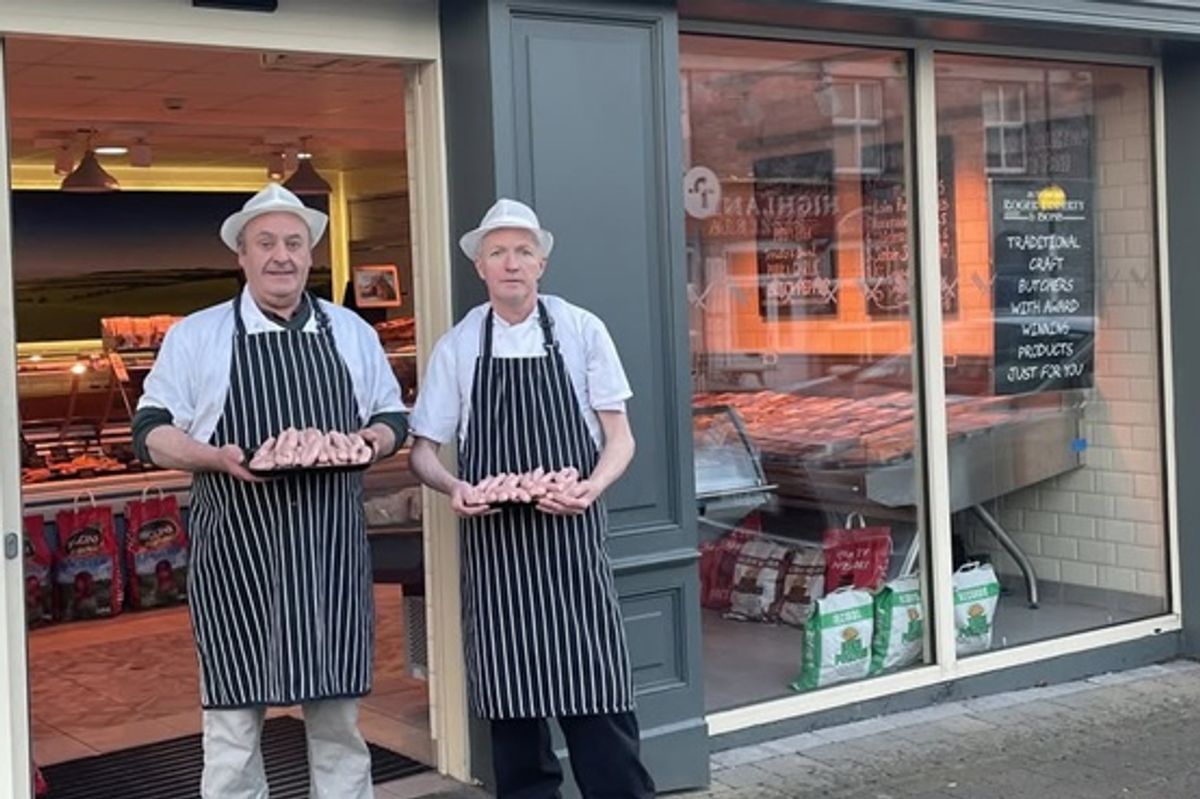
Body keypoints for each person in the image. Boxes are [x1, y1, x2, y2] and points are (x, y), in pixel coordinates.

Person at [133, 183, 407, 799]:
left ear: (310, 254)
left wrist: (369, 443)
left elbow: (394, 417)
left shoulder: (351, 333)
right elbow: (149, 431)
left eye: (293, 242)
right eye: (266, 244)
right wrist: (214, 457)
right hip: (236, 554)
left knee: (339, 725)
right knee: (232, 729)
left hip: (328, 554)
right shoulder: (198, 336)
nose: (280, 255)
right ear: (242, 256)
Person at [408, 198, 655, 799]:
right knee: (514, 729)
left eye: (523, 252)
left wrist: (591, 487)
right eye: (498, 253)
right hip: (496, 558)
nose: (511, 263)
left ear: (541, 264)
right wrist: (456, 488)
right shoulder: (460, 346)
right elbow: (422, 452)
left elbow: (620, 438)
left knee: (600, 707)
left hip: (571, 545)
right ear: (480, 267)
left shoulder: (579, 330)